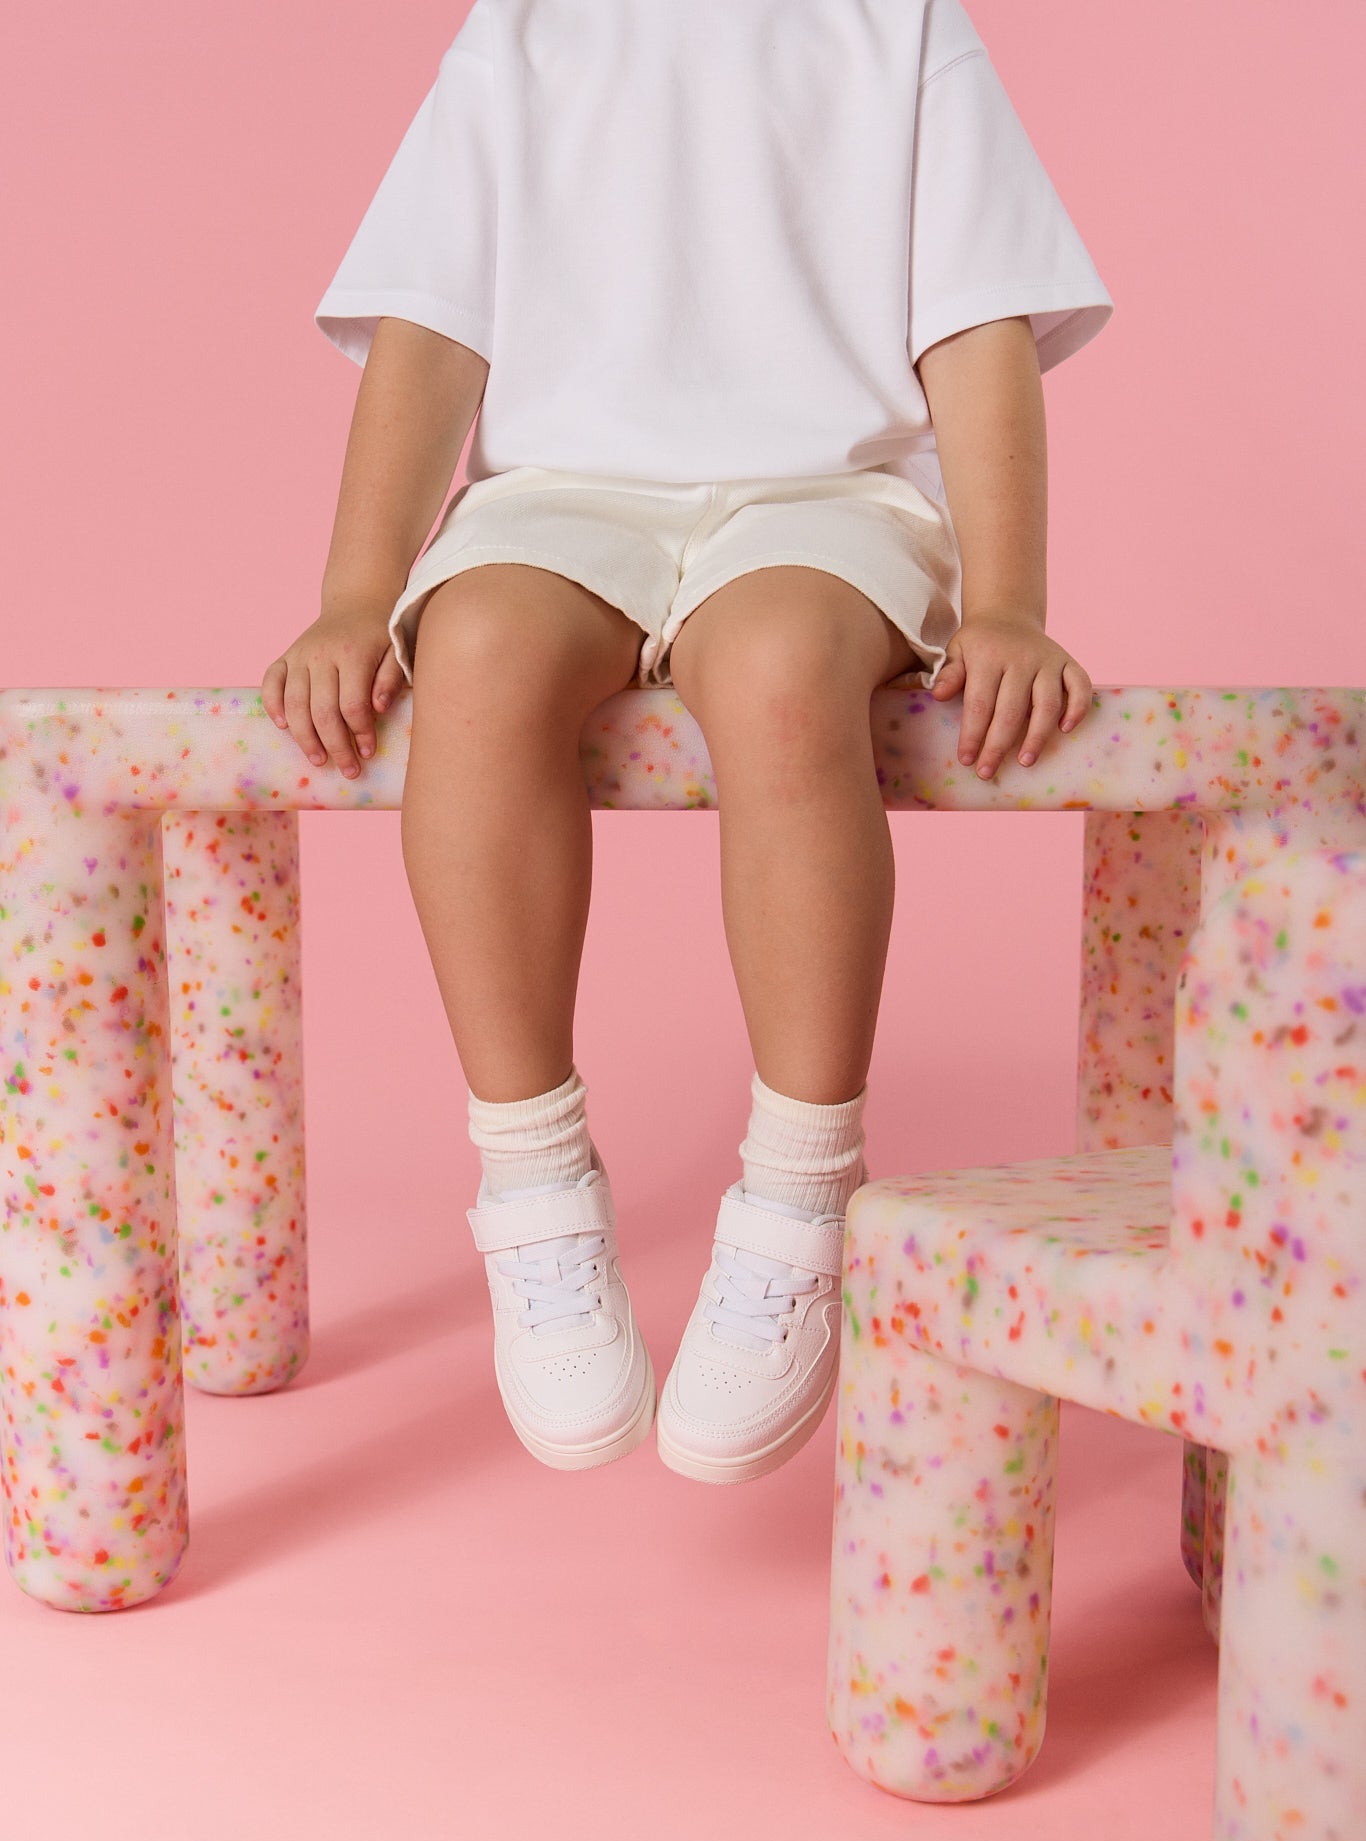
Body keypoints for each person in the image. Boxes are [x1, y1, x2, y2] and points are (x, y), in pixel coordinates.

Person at [262, 0, 1112, 1484]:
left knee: (783, 669)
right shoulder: (521, 32)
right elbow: (431, 331)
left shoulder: (897, 29)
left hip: (821, 492)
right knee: (474, 646)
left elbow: (977, 325)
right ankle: (532, 1188)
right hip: (565, 488)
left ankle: (797, 1199)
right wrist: (350, 596)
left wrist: (1015, 600)